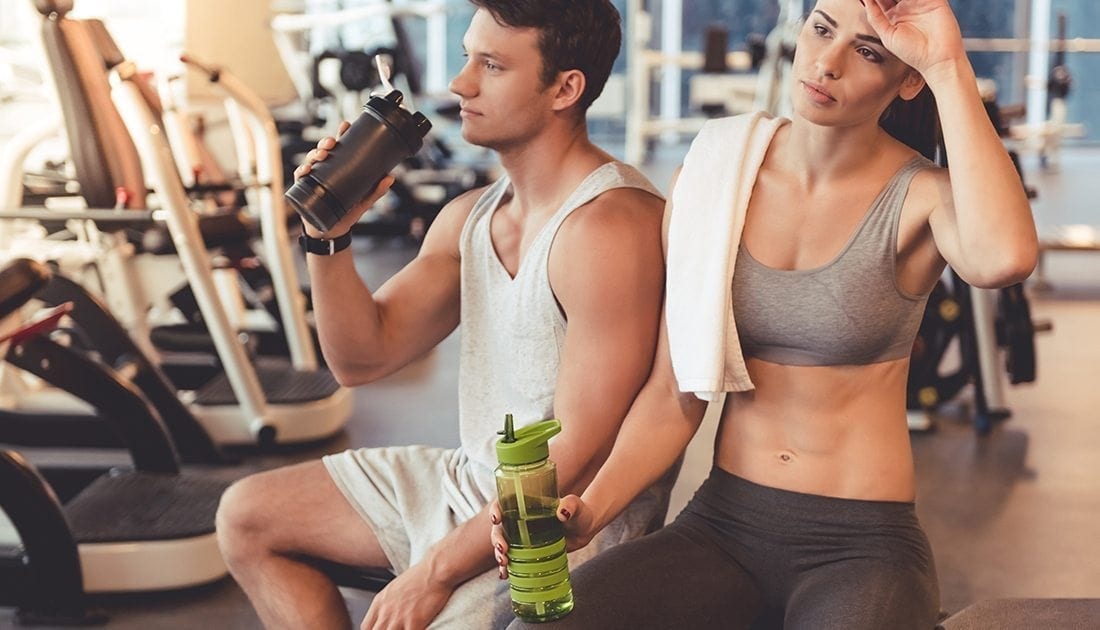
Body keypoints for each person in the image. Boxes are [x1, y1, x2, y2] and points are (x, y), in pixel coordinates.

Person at [491, 0, 1039, 628]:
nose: (827, 63)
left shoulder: (920, 198)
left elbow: (1006, 258)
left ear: (906, 77)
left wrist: (946, 64)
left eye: (868, 52)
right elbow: (674, 391)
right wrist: (590, 511)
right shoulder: (719, 168)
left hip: (861, 546)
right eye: (822, 29)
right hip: (723, 526)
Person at [215, 1, 673, 628]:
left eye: (491, 65)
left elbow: (578, 454)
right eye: (466, 58)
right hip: (470, 482)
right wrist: (329, 235)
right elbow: (360, 358)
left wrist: (430, 575)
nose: (460, 84)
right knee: (248, 515)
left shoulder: (608, 227)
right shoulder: (470, 217)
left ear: (566, 88)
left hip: (554, 530)